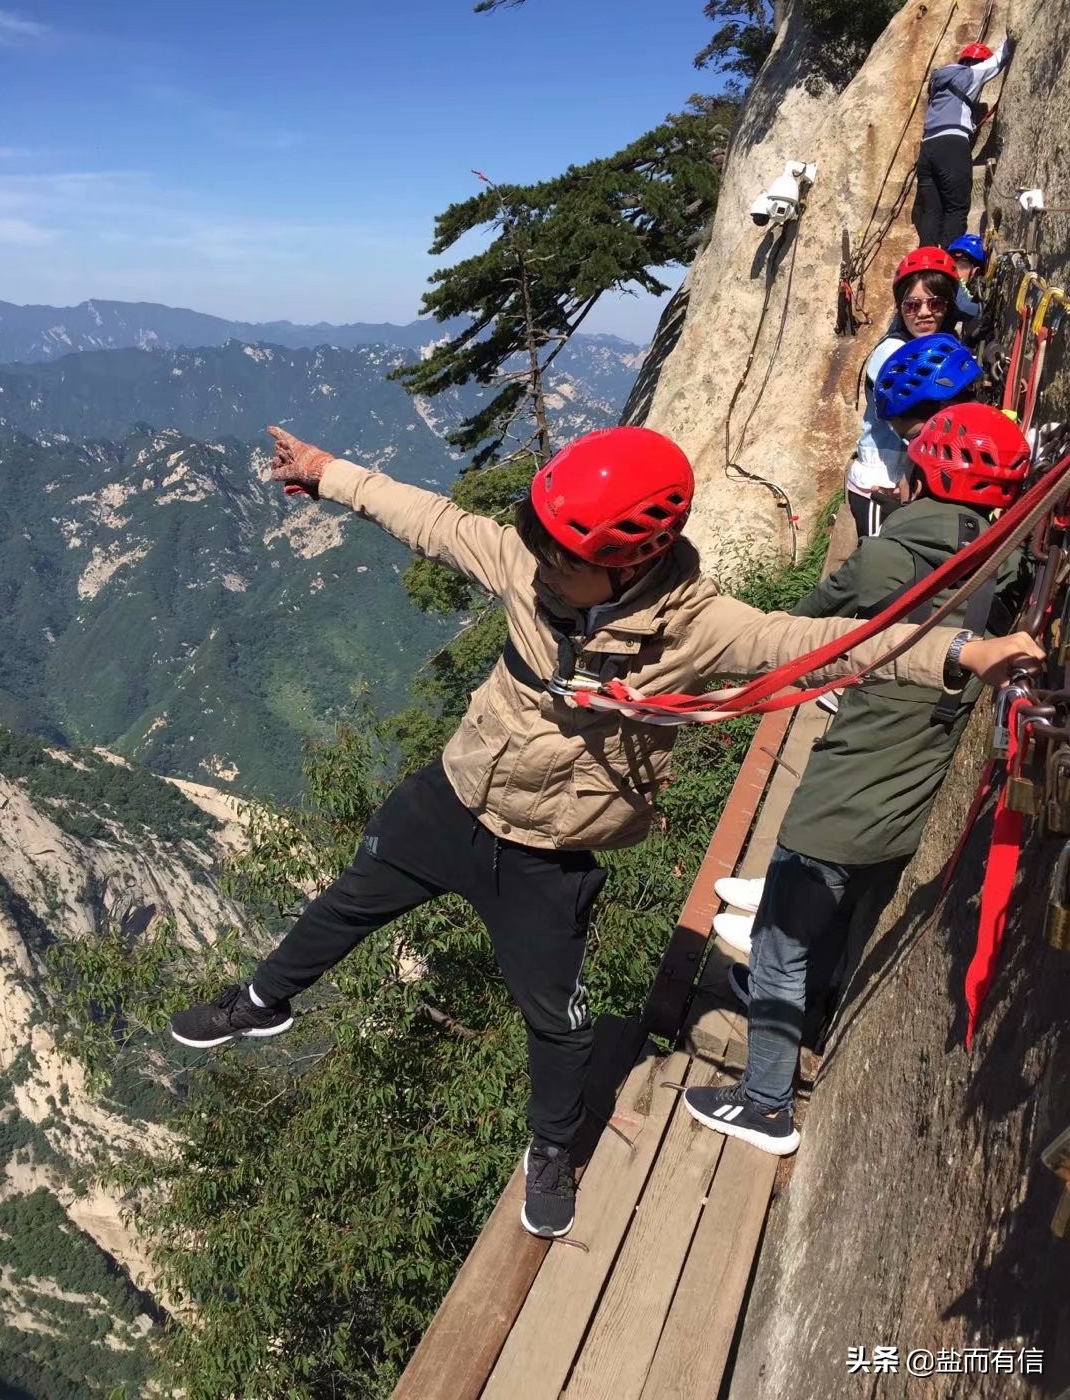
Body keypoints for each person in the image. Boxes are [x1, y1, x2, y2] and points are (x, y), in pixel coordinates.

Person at [170, 423, 1041, 1236]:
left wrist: (959, 655)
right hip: (453, 796)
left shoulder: (699, 630)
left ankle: (552, 1149)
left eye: (566, 559)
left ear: (632, 561)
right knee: (346, 904)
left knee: (557, 1022)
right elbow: (430, 520)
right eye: (542, 549)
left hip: (549, 854)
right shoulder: (530, 564)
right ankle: (261, 1001)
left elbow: (816, 644)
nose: (543, 569)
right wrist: (330, 476)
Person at [686, 405, 1033, 1155]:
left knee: (780, 938)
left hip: (850, 784)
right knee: (840, 923)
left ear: (916, 478)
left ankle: (766, 1103)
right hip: (913, 795)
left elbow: (791, 634)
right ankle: (808, 1022)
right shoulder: (1003, 560)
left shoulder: (885, 559)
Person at [712, 333, 983, 952]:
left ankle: (779, 925)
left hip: (904, 670)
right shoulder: (979, 458)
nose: (911, 449)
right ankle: (780, 888)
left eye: (914, 434)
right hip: (937, 662)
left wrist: (769, 648)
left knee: (838, 781)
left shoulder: (901, 537)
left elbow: (820, 610)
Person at [845, 248, 961, 540]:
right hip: (881, 484)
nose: (923, 313)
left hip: (914, 480)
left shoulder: (942, 347)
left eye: (935, 303)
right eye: (912, 305)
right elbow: (910, 425)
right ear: (901, 308)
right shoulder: (894, 353)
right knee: (877, 572)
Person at [913, 37, 1014, 248]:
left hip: (927, 148)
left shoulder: (939, 81)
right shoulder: (970, 74)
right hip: (952, 144)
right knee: (956, 209)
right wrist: (1012, 33)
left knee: (932, 212)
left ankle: (927, 269)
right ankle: (950, 267)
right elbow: (997, 61)